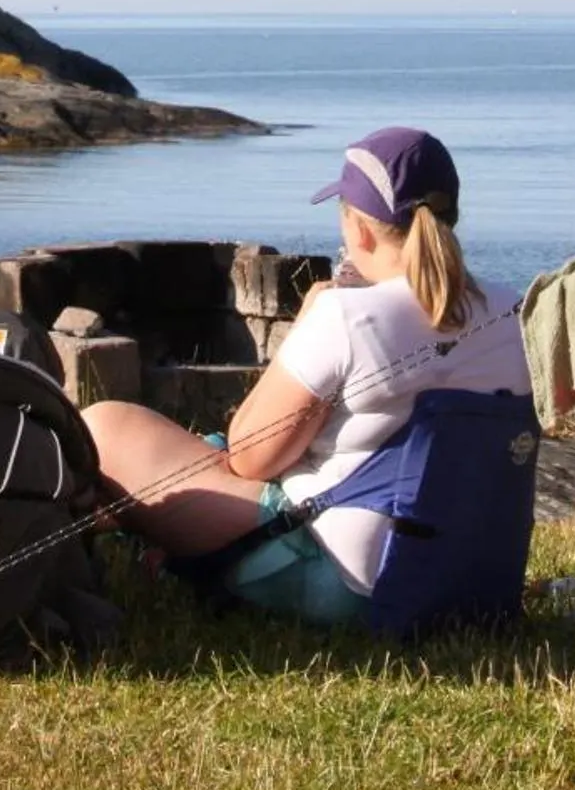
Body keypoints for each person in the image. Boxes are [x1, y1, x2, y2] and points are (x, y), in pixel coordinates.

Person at [82, 126, 530, 624]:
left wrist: (302, 331)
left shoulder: (348, 316)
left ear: (357, 229)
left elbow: (251, 456)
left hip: (348, 585)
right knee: (205, 451)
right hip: (475, 580)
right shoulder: (513, 308)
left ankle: (111, 542)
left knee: (104, 427)